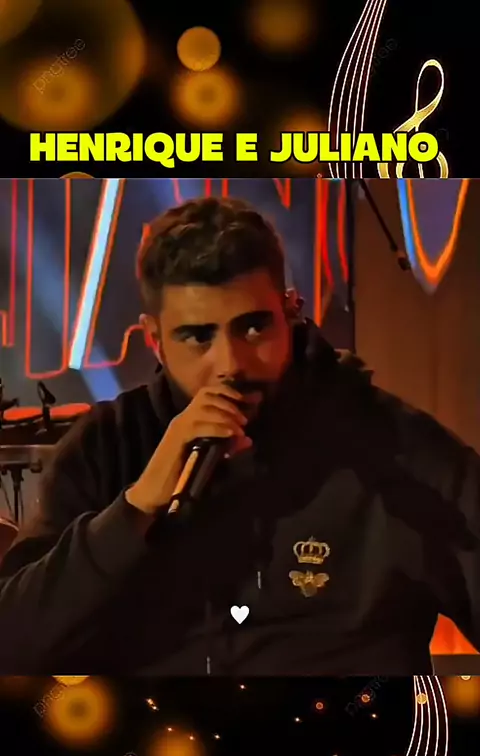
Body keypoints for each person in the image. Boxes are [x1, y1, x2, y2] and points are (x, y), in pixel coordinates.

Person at [0, 195, 479, 675]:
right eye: (198, 336)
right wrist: (136, 508)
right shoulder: (107, 447)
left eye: (253, 328)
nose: (230, 364)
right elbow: (13, 645)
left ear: (289, 312)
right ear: (155, 340)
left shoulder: (396, 446)